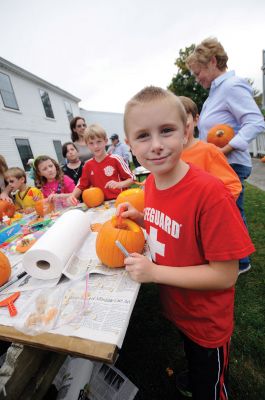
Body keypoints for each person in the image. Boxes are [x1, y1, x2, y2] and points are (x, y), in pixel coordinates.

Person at [119, 86, 255, 399]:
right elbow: (169, 224)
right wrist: (142, 217)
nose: (155, 145)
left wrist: (154, 273)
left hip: (207, 322)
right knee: (194, 360)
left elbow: (225, 274)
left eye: (166, 131)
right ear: (129, 144)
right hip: (180, 310)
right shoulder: (152, 182)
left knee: (209, 383)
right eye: (143, 136)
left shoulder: (210, 194)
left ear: (185, 131)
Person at [186, 37, 265, 274]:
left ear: (212, 62)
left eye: (197, 71)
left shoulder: (231, 87)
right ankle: (236, 260)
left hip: (228, 164)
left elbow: (255, 121)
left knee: (228, 216)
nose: (196, 77)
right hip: (218, 163)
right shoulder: (215, 93)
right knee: (227, 214)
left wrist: (225, 149)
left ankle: (240, 263)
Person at [179, 96, 242, 200]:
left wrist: (211, 208)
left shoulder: (209, 151)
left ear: (195, 120)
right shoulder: (169, 154)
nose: (178, 124)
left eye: (183, 118)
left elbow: (232, 186)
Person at [70, 124, 134, 202]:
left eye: (99, 141)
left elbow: (132, 179)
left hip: (120, 201)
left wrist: (119, 184)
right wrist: (73, 196)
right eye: (91, 143)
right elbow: (81, 185)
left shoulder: (116, 159)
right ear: (87, 145)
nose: (96, 146)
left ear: (105, 141)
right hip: (99, 205)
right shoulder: (87, 165)